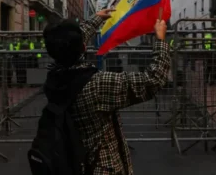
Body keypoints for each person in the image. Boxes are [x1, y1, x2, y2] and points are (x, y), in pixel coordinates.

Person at [42, 9, 171, 174]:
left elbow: (71, 42)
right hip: (102, 167)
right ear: (83, 47)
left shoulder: (54, 76)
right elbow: (153, 80)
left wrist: (96, 19)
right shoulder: (97, 84)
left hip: (72, 162)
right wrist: (160, 41)